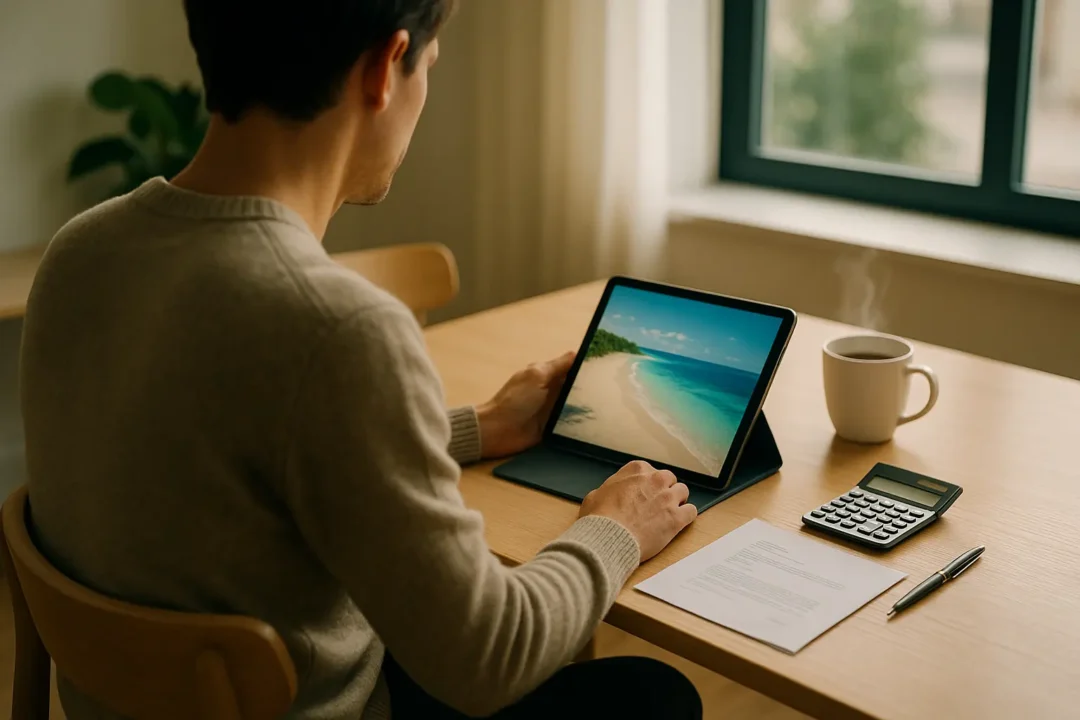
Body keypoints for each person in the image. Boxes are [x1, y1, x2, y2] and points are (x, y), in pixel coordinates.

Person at [19, 1, 702, 718]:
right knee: (656, 696)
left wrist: (477, 426)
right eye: (428, 66)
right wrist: (616, 528)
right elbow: (489, 657)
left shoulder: (80, 251)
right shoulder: (337, 328)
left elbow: (227, 451)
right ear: (384, 68)